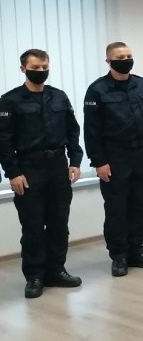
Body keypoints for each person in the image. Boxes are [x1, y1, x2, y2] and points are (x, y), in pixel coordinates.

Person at [0, 49, 83, 298]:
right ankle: (35, 275)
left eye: (44, 66)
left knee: (59, 223)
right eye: (35, 67)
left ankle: (56, 270)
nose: (41, 71)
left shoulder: (59, 97)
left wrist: (75, 161)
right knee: (34, 226)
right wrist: (13, 173)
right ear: (23, 69)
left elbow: (72, 131)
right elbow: (3, 140)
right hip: (29, 169)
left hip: (58, 166)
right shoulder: (10, 100)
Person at [84, 42, 143, 277]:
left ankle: (137, 249)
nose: (126, 59)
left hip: (141, 154)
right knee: (117, 209)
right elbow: (91, 130)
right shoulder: (97, 90)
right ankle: (119, 255)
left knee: (140, 205)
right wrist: (99, 162)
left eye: (129, 55)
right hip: (114, 156)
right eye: (120, 56)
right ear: (108, 61)